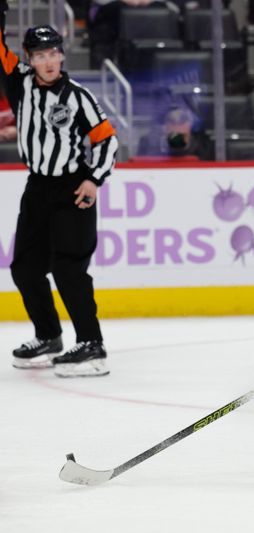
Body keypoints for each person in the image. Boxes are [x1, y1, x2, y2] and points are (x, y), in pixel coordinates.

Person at [1, 7, 118, 377]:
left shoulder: (78, 96)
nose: (48, 61)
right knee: (25, 269)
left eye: (54, 53)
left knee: (69, 269)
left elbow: (106, 139)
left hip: (73, 189)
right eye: (40, 55)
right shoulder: (18, 82)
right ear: (29, 59)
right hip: (37, 188)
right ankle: (49, 336)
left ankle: (91, 344)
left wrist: (94, 179)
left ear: (62, 55)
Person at [137, 106, 214, 161]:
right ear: (165, 126)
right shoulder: (149, 143)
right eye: (172, 122)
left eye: (182, 121)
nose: (177, 126)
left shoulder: (204, 144)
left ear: (190, 125)